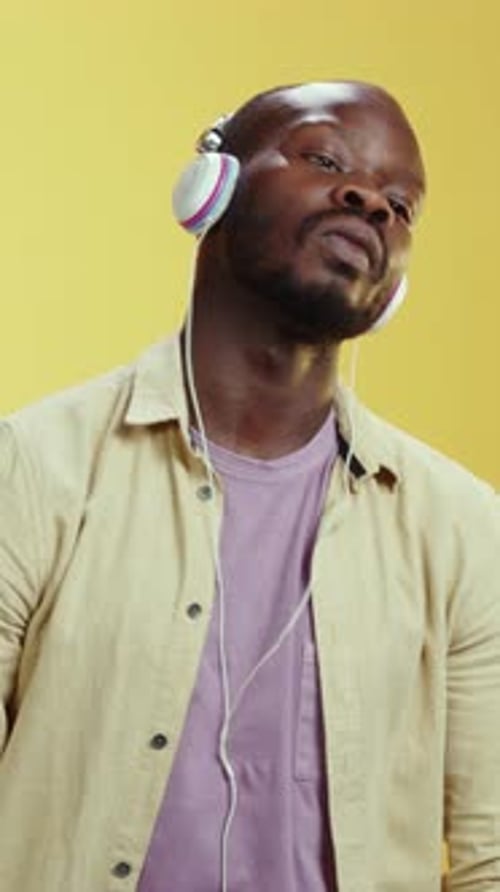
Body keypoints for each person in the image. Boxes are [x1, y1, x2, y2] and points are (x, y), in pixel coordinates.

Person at [0, 80, 498, 892]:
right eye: (326, 158)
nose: (368, 201)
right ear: (212, 187)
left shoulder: (465, 530)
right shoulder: (30, 470)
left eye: (400, 205)